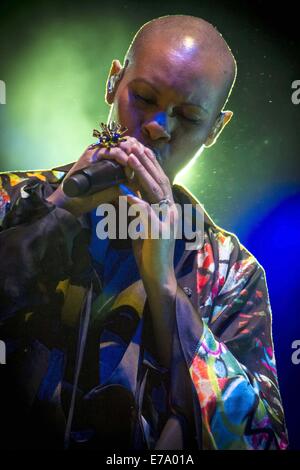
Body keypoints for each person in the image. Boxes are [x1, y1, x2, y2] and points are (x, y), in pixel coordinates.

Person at [0, 15, 288, 450]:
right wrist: (55, 213)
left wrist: (166, 288)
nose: (157, 126)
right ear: (114, 81)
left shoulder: (231, 272)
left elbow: (262, 441)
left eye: (188, 117)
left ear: (216, 128)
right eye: (144, 97)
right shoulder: (8, 198)